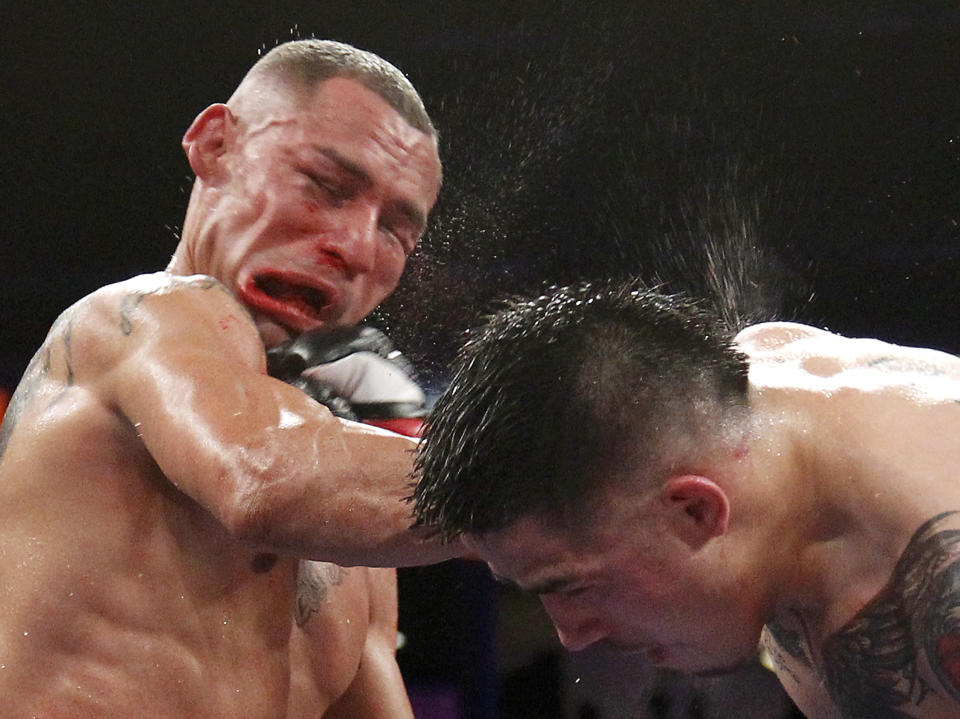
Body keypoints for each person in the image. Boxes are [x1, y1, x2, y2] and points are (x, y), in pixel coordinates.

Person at [0, 39, 458, 718]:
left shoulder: (352, 517)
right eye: (327, 186)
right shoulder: (141, 318)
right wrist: (556, 490)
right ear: (216, 146)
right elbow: (260, 473)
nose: (358, 248)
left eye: (396, 231)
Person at [412, 279, 960, 719]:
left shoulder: (940, 580)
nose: (571, 636)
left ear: (695, 511)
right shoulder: (720, 408)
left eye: (575, 586)